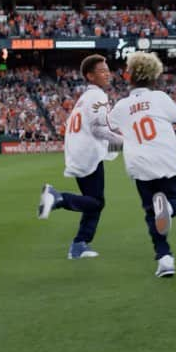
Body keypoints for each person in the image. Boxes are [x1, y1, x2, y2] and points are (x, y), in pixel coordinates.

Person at [107, 52, 176, 278]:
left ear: (128, 77)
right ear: (154, 78)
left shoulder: (121, 106)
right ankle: (169, 209)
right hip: (165, 158)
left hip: (139, 164)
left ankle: (164, 258)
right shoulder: (160, 98)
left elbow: (108, 126)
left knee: (150, 212)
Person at [38, 54, 122, 259]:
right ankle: (58, 197)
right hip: (88, 154)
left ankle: (79, 244)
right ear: (90, 76)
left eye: (107, 69)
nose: (107, 73)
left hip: (79, 152)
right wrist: (126, 142)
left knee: (93, 200)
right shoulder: (97, 96)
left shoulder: (84, 98)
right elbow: (98, 128)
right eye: (102, 70)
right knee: (96, 203)